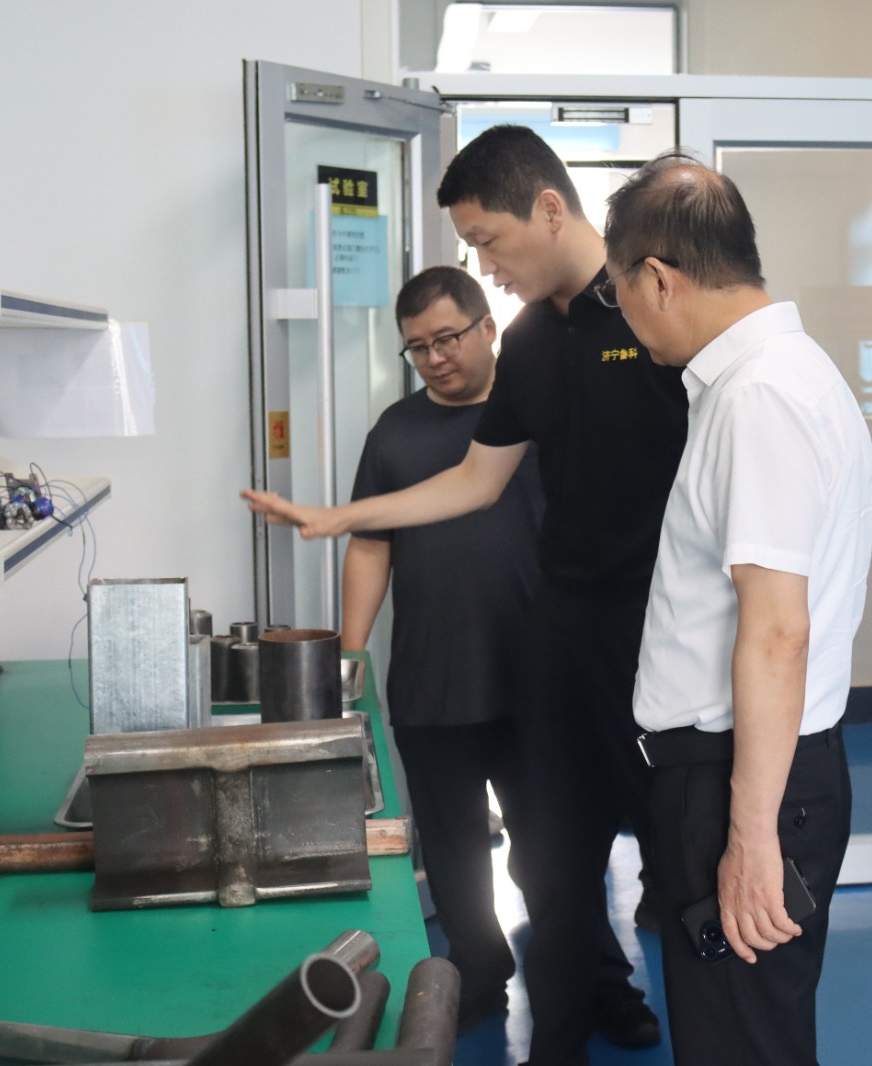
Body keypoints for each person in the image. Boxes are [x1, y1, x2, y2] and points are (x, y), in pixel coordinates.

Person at [243, 124, 686, 1066]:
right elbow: (475, 481)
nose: (485, 264)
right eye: (420, 347)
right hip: (544, 661)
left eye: (487, 240)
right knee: (551, 869)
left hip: (658, 653)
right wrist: (341, 518)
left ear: (550, 209)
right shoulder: (530, 343)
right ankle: (542, 1027)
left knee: (674, 879)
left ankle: (640, 1000)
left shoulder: (653, 313)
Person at [603, 153, 872, 1066]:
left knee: (741, 1044)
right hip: (754, 768)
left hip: (743, 780)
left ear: (658, 278)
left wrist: (749, 838)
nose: (623, 313)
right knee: (750, 1034)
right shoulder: (780, 375)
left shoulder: (759, 396)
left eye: (617, 290)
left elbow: (777, 629)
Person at [340, 265, 540, 1032]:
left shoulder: (537, 417)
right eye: (418, 347)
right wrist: (349, 658)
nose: (434, 358)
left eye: (447, 338)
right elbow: (370, 546)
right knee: (453, 849)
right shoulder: (395, 433)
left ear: (488, 328)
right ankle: (479, 974)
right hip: (433, 679)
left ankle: (594, 977)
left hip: (537, 678)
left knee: (552, 845)